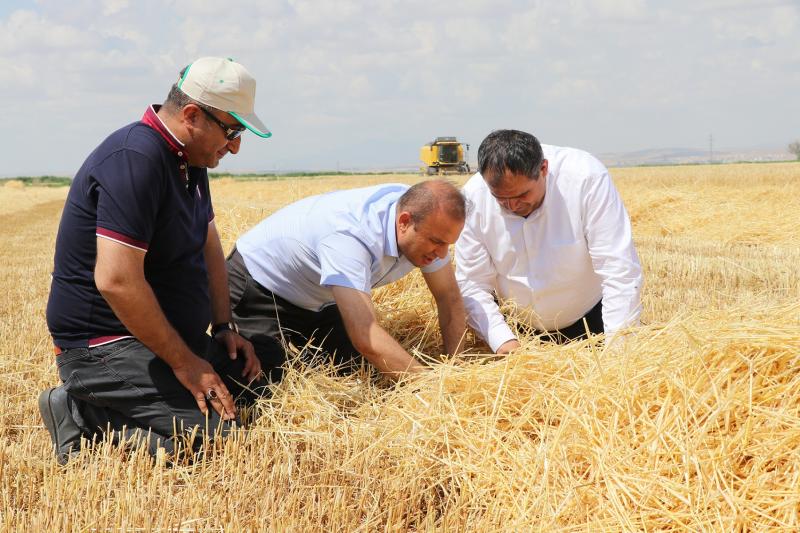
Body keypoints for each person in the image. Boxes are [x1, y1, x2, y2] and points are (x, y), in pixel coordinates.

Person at [40, 57, 272, 464]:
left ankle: (128, 402)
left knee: (256, 384)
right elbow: (116, 281)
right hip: (102, 346)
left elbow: (208, 244)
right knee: (220, 441)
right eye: (232, 130)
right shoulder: (136, 159)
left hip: (156, 340)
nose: (235, 145)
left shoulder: (189, 160)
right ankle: (82, 412)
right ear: (192, 115)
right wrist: (187, 365)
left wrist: (223, 327)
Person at [226, 180, 467, 381]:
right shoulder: (350, 236)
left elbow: (449, 297)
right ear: (404, 222)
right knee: (265, 383)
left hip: (319, 296)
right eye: (437, 242)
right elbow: (366, 336)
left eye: (448, 244)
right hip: (259, 286)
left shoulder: (426, 219)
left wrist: (455, 368)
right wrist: (432, 387)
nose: (442, 255)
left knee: (356, 373)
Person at [455, 129, 643, 353]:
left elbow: (618, 269)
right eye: (500, 198)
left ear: (543, 169)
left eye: (521, 195)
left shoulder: (586, 178)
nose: (512, 206)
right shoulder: (473, 198)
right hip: (516, 331)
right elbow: (472, 283)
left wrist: (618, 352)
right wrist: (501, 340)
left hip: (591, 323)